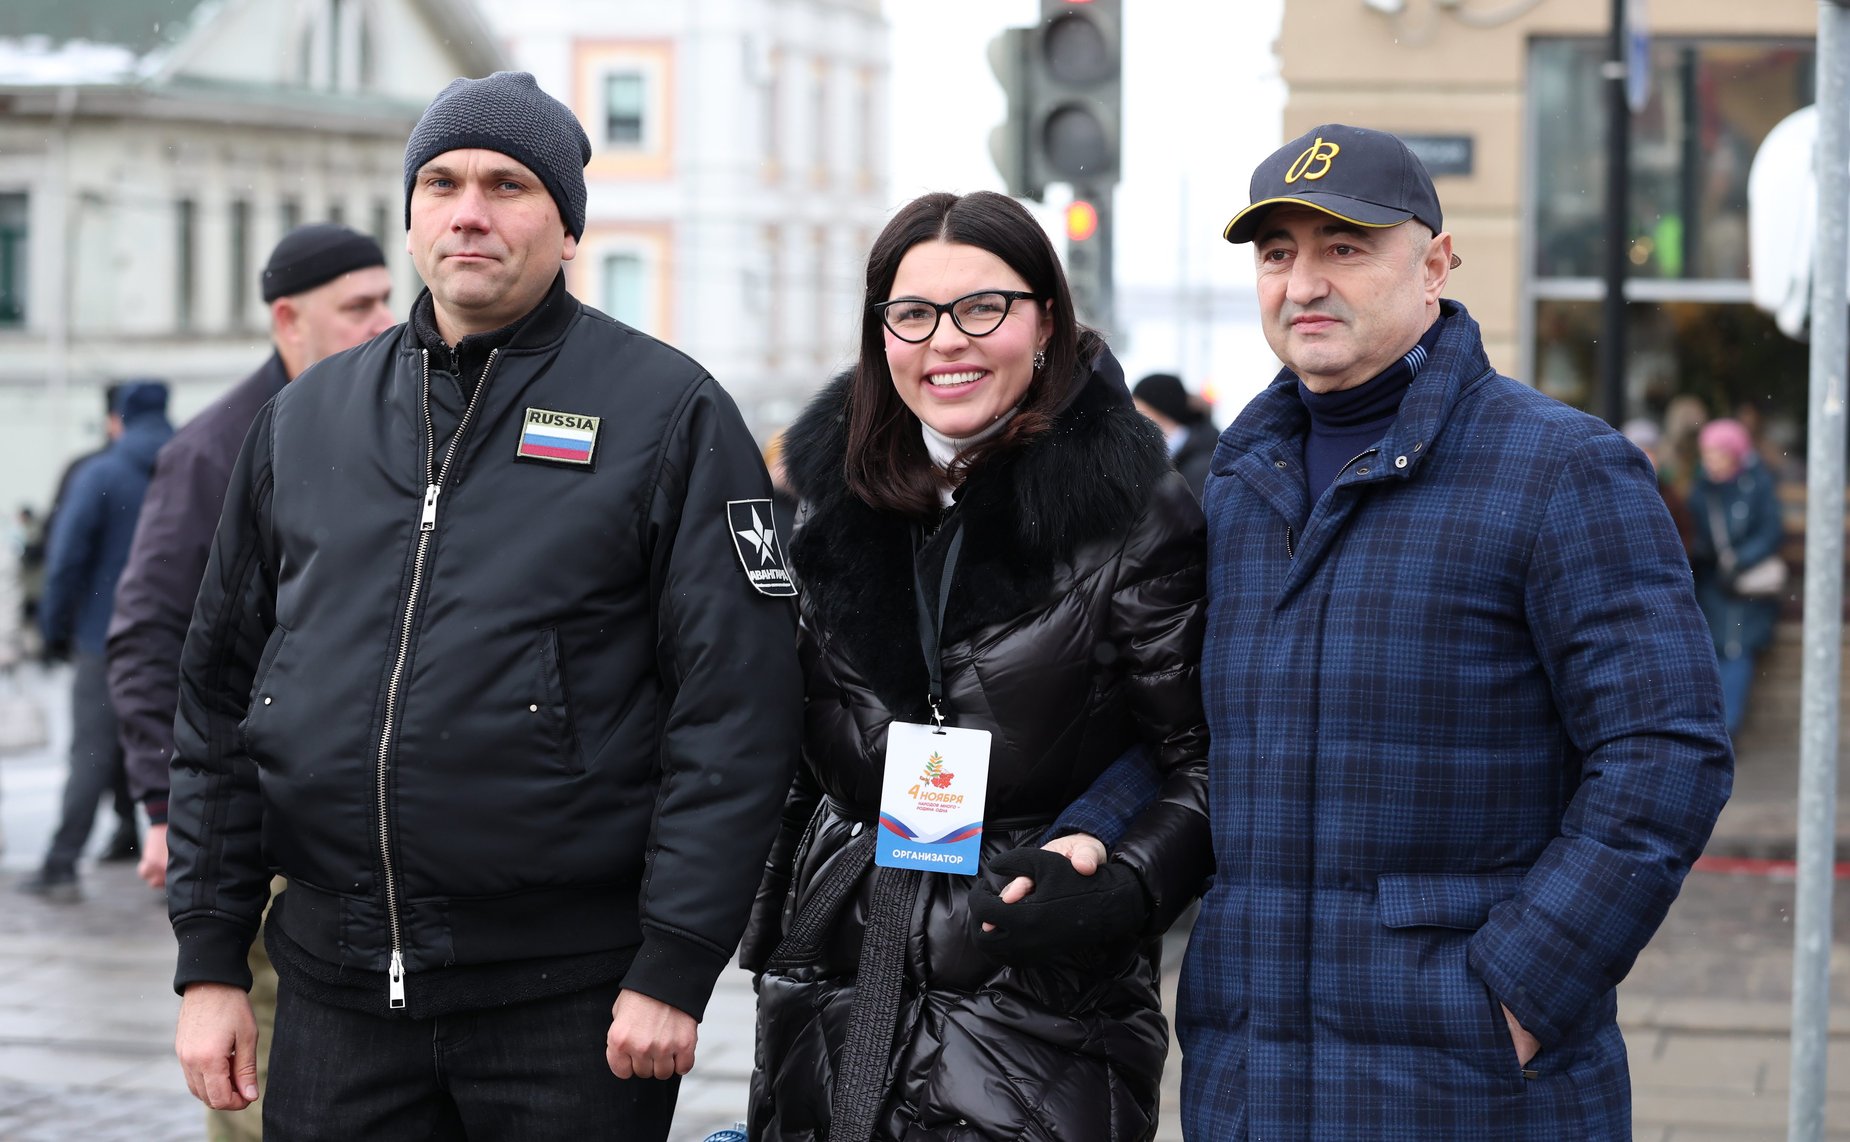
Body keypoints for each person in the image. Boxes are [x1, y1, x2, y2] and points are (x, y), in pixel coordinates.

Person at [166, 71, 800, 1139]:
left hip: (571, 1002)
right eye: (442, 182)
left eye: (507, 185)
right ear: (410, 215)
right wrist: (208, 960)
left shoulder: (668, 413)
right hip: (333, 986)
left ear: (565, 228)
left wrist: (676, 963)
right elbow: (221, 695)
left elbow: (735, 710)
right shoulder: (306, 418)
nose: (469, 210)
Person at [1073, 124, 1732, 1138]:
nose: (1302, 283)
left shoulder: (1559, 469)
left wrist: (1513, 995)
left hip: (1466, 1087)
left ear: (1432, 264)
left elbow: (1663, 753)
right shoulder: (1233, 489)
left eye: (1344, 247)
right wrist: (1086, 830)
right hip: (1249, 1080)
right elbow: (1191, 735)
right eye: (1276, 253)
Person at [742, 190, 1213, 1142]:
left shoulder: (1130, 516)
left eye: (983, 309)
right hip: (832, 994)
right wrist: (765, 926)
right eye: (912, 315)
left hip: (1038, 999)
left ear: (1045, 321)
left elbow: (1201, 760)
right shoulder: (830, 504)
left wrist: (1120, 884)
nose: (945, 341)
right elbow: (792, 754)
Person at [107, 221, 392, 1141]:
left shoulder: (382, 418)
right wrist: (163, 804)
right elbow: (150, 635)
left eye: (388, 300)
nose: (383, 322)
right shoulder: (217, 447)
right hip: (257, 838)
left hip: (357, 853)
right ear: (287, 319)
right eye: (358, 307)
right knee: (258, 1093)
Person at [19, 382, 173, 901]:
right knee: (168, 746)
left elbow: (64, 562)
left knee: (91, 750)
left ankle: (62, 865)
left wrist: (54, 631)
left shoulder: (100, 474)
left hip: (104, 636)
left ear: (115, 420)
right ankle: (158, 856)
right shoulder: (192, 463)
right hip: (179, 636)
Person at [1686, 417, 1786, 737]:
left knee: (1736, 650)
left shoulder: (1756, 485)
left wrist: (1740, 559)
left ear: (1733, 453)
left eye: (1716, 452)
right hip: (1712, 585)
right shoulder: (1701, 489)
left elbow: (1770, 530)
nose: (1710, 459)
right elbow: (1692, 532)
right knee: (1712, 649)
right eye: (1706, 452)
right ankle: (1713, 727)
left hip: (1745, 587)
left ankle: (1726, 730)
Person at [1131, 372, 1218, 499]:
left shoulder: (1202, 466)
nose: (1134, 420)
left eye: (1140, 411)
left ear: (1161, 412)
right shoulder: (1166, 456)